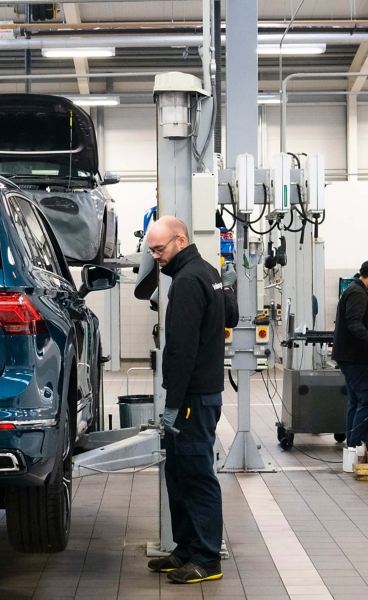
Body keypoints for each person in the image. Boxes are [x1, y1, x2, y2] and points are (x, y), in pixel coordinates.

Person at [144, 216, 226, 584]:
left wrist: (172, 404)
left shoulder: (189, 280)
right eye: (151, 251)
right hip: (201, 394)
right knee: (178, 473)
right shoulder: (208, 272)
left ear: (180, 240)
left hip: (192, 397)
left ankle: (207, 559)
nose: (156, 257)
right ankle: (186, 548)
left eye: (159, 250)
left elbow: (181, 351)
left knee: (195, 475)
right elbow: (234, 313)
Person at [332, 261, 368, 467]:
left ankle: (352, 450)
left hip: (351, 357)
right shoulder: (358, 293)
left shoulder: (356, 290)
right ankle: (355, 447)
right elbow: (354, 323)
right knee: (366, 400)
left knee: (356, 401)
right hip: (354, 358)